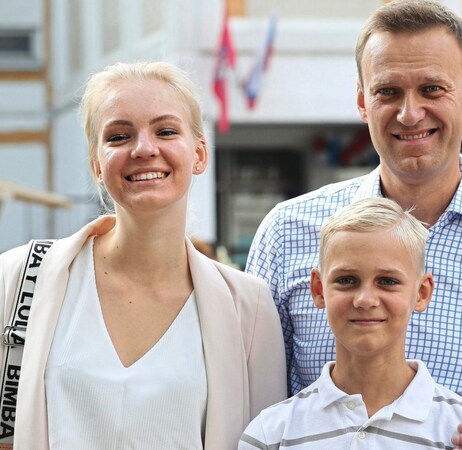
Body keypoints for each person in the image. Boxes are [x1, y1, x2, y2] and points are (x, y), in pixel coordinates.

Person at [246, 1, 462, 448]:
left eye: (432, 89)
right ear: (361, 100)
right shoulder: (288, 233)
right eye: (388, 91)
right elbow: (259, 403)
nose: (410, 113)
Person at [0, 61, 287, 448]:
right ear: (96, 164)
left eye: (166, 131)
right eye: (119, 136)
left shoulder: (248, 306)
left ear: (200, 154)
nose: (144, 149)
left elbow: (263, 440)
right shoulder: (20, 277)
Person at [240, 197, 462, 449]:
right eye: (347, 280)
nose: (365, 300)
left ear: (422, 293)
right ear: (318, 289)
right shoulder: (270, 433)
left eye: (388, 281)